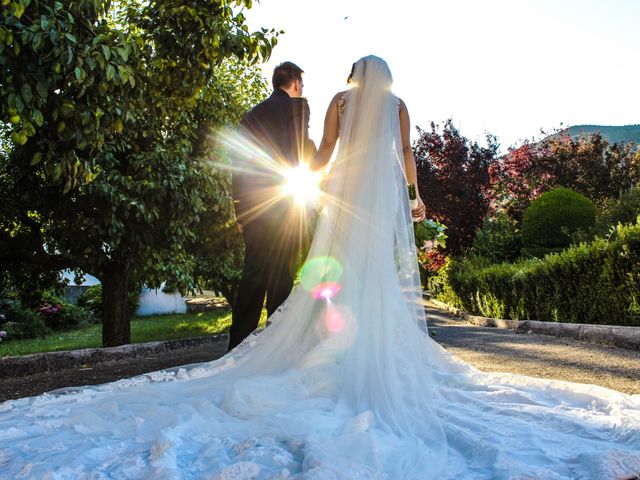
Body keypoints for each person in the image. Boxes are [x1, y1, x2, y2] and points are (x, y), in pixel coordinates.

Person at [0, 56, 639, 480]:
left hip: (347, 198)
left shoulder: (337, 99)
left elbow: (327, 153)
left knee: (328, 269)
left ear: (354, 77)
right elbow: (406, 157)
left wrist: (322, 179)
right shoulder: (398, 105)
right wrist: (415, 198)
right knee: (377, 277)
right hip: (384, 196)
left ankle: (319, 342)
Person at [229, 61, 317, 351]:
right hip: (288, 205)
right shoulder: (298, 108)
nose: (302, 88)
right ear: (294, 82)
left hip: (254, 208)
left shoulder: (251, 115)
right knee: (281, 277)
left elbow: (238, 164)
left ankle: (238, 347)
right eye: (301, 83)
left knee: (253, 276)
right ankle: (274, 349)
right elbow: (302, 151)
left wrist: (240, 211)